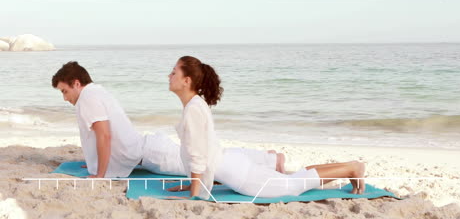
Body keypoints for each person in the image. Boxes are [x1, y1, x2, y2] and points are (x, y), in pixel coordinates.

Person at [167, 56, 366, 200]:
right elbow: (202, 151)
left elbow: (198, 156)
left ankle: (352, 167)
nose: (169, 75)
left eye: (174, 72)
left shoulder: (193, 108)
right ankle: (349, 166)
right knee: (294, 180)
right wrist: (191, 182)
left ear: (187, 81)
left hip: (239, 175)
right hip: (232, 165)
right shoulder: (195, 105)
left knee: (293, 186)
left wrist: (193, 195)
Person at [51, 61, 286, 178]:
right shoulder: (95, 92)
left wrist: (99, 175)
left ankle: (270, 160)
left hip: (153, 154)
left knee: (213, 163)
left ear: (76, 84)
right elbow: (103, 136)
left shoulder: (87, 98)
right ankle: (268, 159)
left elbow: (104, 135)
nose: (65, 98)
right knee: (212, 158)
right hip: (148, 151)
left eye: (64, 91)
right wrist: (95, 161)